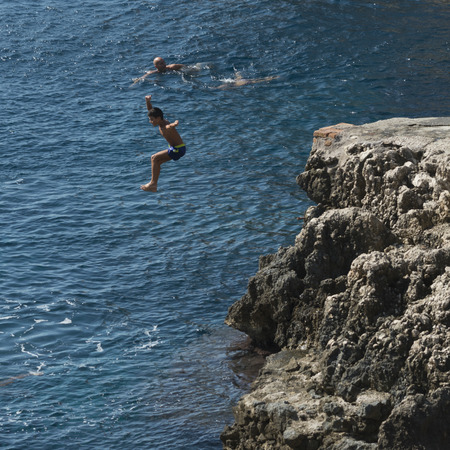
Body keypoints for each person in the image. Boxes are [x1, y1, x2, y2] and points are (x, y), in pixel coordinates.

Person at [140, 95, 186, 192]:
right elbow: (150, 110)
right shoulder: (161, 121)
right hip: (177, 149)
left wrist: (174, 124)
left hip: (177, 149)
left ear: (158, 118)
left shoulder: (165, 125)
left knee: (154, 158)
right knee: (157, 162)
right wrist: (147, 101)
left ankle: (153, 184)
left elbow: (169, 127)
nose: (150, 121)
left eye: (152, 119)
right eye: (150, 119)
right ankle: (154, 185)